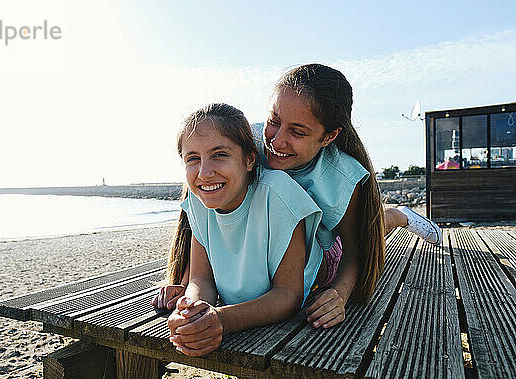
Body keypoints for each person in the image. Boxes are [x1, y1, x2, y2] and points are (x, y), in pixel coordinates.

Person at [153, 63, 442, 330]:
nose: (277, 141)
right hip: (266, 243)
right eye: (274, 120)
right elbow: (204, 215)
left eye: (297, 132)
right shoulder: (248, 143)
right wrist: (185, 282)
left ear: (329, 136)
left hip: (323, 249)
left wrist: (339, 294)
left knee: (376, 225)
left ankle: (398, 215)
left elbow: (355, 249)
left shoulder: (341, 177)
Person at [165, 103, 325, 356]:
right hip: (248, 301)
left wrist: (221, 320)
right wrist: (191, 310)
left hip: (323, 274)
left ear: (249, 159)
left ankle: (392, 217)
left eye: (219, 155)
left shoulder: (279, 195)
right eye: (193, 159)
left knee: (376, 229)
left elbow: (288, 294)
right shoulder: (199, 200)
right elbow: (201, 277)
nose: (204, 173)